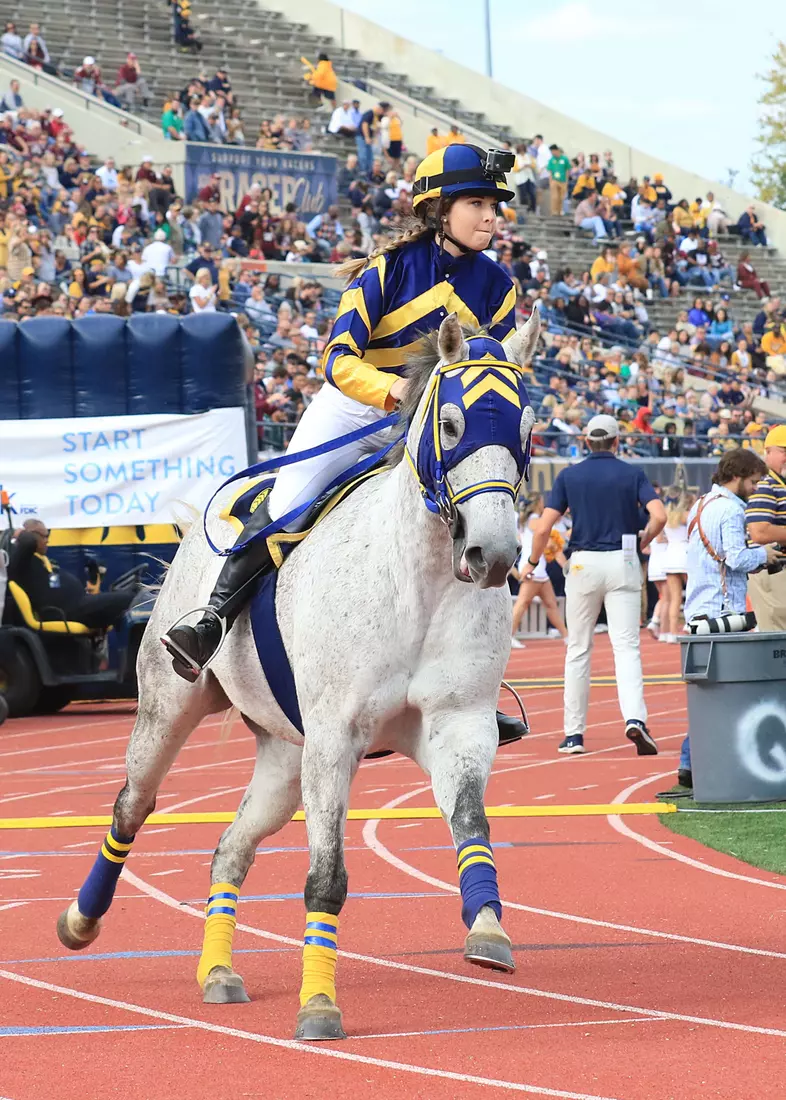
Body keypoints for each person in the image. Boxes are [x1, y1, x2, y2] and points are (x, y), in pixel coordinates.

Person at [162, 143, 528, 745]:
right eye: (478, 203)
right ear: (438, 209)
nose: (492, 216)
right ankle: (211, 618)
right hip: (357, 407)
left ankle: (472, 688)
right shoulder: (386, 272)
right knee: (288, 503)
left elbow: (498, 376)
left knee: (482, 518)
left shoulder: (500, 290)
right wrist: (395, 398)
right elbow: (337, 361)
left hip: (434, 425)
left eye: (494, 205)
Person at [521, 414, 666, 755]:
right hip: (624, 559)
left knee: (578, 649)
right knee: (626, 647)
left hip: (584, 562)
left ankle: (573, 734)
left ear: (586, 442)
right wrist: (644, 541)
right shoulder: (633, 474)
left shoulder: (570, 475)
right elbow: (658, 515)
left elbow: (543, 529)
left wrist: (531, 562)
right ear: (617, 442)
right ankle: (635, 719)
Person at [677, 449, 777, 788]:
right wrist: (765, 554)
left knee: (710, 694)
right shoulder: (732, 510)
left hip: (700, 606)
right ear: (739, 475)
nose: (757, 487)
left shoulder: (702, 503)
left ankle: (691, 763)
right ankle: (702, 762)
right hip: (722, 611)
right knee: (725, 693)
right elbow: (735, 558)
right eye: (754, 481)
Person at [7, 519, 137, 630]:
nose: (47, 541)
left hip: (78, 605)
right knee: (130, 599)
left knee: (128, 601)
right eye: (44, 536)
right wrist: (21, 533)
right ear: (31, 535)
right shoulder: (22, 562)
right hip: (67, 611)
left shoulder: (43, 561)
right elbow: (28, 542)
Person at [510, 495, 568, 647]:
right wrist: (554, 545)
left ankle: (567, 637)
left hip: (538, 568)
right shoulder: (535, 519)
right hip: (533, 567)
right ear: (537, 504)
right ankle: (508, 636)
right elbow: (545, 538)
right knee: (522, 603)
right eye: (542, 502)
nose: (544, 504)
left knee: (551, 604)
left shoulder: (525, 520)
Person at [745, 424, 786, 630]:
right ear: (768, 452)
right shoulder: (765, 485)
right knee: (778, 641)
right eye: (784, 452)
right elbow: (759, 531)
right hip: (774, 572)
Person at [661, 488, 693, 643]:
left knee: (675, 598)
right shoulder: (686, 516)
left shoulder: (666, 516)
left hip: (670, 555)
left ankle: (673, 632)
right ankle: (689, 626)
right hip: (685, 555)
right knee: (693, 594)